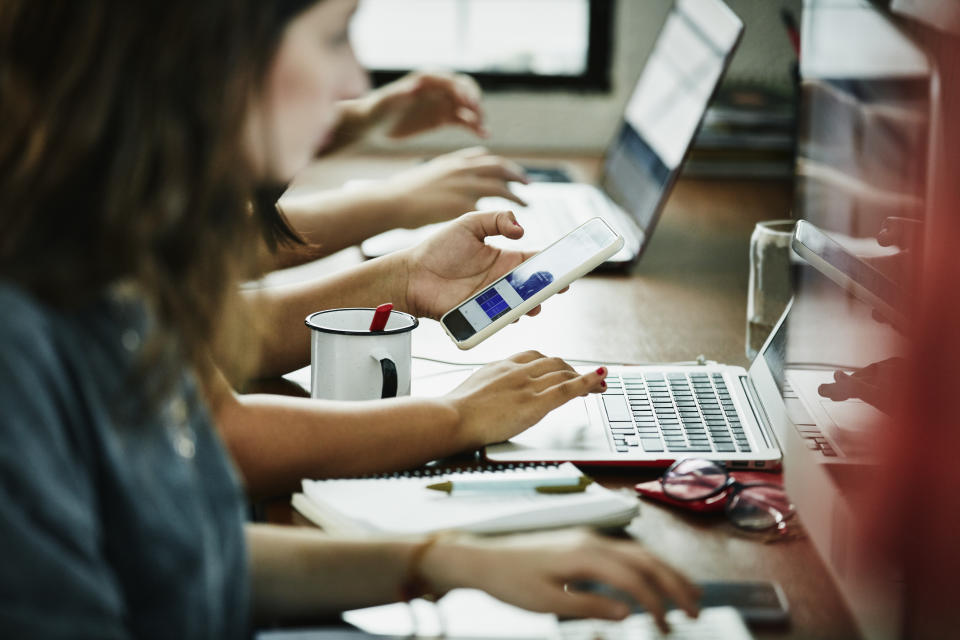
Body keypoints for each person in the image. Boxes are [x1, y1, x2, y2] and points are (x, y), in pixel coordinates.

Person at [0, 1, 700, 637]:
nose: (355, 84)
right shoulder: (27, 329)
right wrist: (454, 419)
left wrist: (447, 561)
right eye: (335, 37)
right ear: (211, 52)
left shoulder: (100, 257)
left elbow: (189, 548)